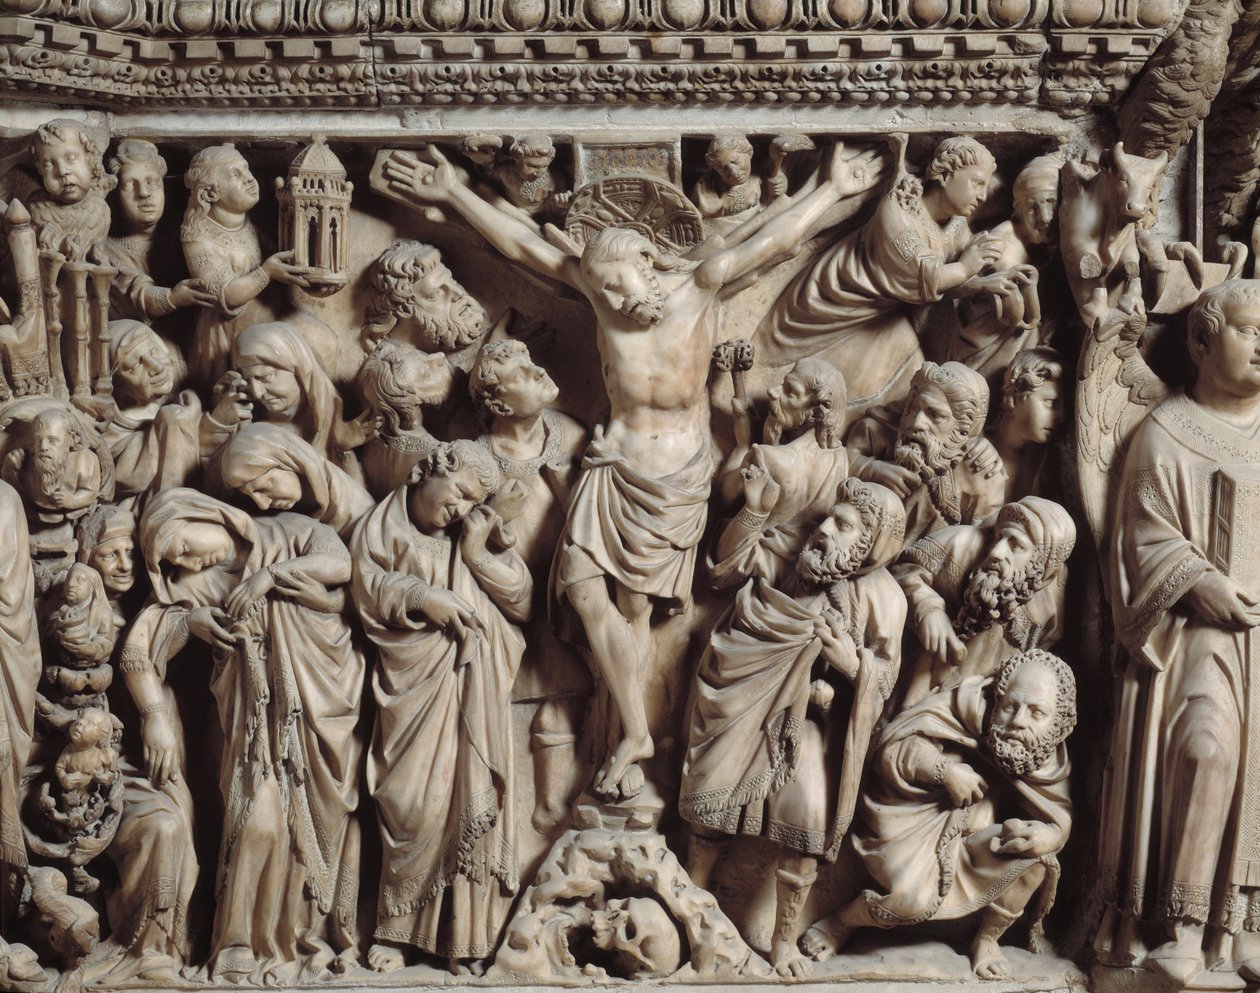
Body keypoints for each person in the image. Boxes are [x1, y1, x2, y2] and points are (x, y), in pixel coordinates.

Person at [381, 137, 886, 799]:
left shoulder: (700, 285)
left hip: (673, 479)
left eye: (621, 285)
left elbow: (777, 242)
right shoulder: (598, 293)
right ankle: (634, 733)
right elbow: (522, 247)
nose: (615, 300)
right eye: (603, 290)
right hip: (612, 467)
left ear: (648, 264)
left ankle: (628, 737)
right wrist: (452, 191)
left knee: (635, 614)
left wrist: (834, 189)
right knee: (583, 592)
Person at [125, 489, 364, 984]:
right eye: (176, 561)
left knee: (318, 830)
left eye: (184, 544)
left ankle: (301, 939)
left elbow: (340, 566)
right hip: (256, 726)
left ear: (206, 513)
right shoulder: (196, 584)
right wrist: (186, 628)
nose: (191, 560)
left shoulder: (290, 531)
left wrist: (269, 576)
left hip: (329, 701)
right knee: (260, 820)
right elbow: (137, 650)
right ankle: (237, 942)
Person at [1096, 279, 1260, 983]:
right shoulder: (1166, 433)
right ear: (1201, 341)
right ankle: (1180, 927)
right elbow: (1138, 538)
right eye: (1251, 331)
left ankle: (1240, 927)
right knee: (1205, 750)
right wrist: (1198, 582)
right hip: (1196, 636)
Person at [681, 482, 907, 977]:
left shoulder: (884, 597)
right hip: (750, 704)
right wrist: (753, 511)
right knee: (711, 808)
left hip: (813, 726)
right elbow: (728, 569)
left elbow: (887, 678)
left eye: (843, 526)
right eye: (829, 517)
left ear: (871, 546)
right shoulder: (796, 558)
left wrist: (852, 667)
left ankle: (782, 942)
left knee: (807, 822)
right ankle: (690, 915)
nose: (824, 529)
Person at [351, 440, 531, 975]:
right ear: (428, 471)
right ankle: (398, 929)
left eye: (472, 502)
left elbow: (521, 600)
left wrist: (477, 552)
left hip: (474, 688)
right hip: (412, 689)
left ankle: (465, 939)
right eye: (458, 494)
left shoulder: (472, 533)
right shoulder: (381, 528)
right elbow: (365, 586)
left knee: (471, 801)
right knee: (412, 805)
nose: (460, 509)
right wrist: (421, 597)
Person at [801, 650, 1076, 980]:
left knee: (1038, 862)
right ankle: (843, 920)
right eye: (1010, 706)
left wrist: (1050, 834)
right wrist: (944, 771)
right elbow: (893, 747)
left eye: (1036, 712)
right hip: (915, 820)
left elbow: (1058, 813)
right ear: (997, 697)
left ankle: (987, 939)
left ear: (1058, 724)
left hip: (975, 838)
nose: (1018, 720)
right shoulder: (964, 706)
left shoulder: (1046, 754)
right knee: (911, 900)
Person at [757, 136, 1005, 414]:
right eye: (977, 183)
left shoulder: (956, 225)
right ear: (946, 175)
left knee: (910, 361)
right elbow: (925, 275)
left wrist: (982, 282)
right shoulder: (898, 210)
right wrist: (966, 268)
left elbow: (950, 282)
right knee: (775, 354)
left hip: (877, 315)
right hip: (828, 302)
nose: (983, 195)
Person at [468, 340, 590, 830]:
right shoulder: (479, 457)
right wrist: (495, 517)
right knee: (538, 689)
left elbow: (603, 503)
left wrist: (570, 493)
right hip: (512, 596)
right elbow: (457, 524)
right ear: (499, 405)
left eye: (531, 362)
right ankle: (537, 805)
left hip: (570, 586)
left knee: (568, 694)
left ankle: (555, 803)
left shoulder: (571, 433)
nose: (538, 370)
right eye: (521, 373)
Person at [894, 495, 1076, 705]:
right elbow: (901, 571)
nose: (996, 552)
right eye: (1000, 537)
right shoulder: (961, 543)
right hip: (913, 681)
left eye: (1016, 546)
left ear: (1041, 568)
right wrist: (927, 609)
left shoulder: (1048, 610)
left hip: (979, 705)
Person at [180, 144, 316, 387]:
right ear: (209, 193)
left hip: (269, 321)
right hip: (228, 337)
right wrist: (267, 272)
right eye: (235, 174)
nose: (250, 179)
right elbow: (227, 295)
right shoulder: (197, 237)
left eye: (247, 169)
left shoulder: (250, 224)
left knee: (324, 342)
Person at [103, 319, 248, 507]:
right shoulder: (110, 424)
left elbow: (196, 452)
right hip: (157, 505)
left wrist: (219, 404)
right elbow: (121, 476)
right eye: (135, 365)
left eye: (153, 351)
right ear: (117, 384)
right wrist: (174, 424)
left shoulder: (184, 393)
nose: (156, 367)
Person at [230, 321, 373, 480]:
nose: (257, 393)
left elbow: (354, 494)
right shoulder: (250, 426)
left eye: (265, 377)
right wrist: (221, 422)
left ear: (300, 370)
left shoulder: (330, 421)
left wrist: (343, 450)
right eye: (248, 380)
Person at [96, 139, 216, 324]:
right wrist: (172, 298)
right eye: (130, 184)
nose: (143, 193)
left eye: (151, 182)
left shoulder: (187, 233)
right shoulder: (105, 249)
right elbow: (132, 290)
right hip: (138, 335)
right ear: (115, 193)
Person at [218, 422, 374, 540]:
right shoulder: (296, 515)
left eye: (264, 487)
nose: (262, 505)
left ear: (294, 462)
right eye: (251, 496)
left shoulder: (364, 520)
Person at [358, 338, 454, 496]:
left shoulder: (372, 445)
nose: (440, 356)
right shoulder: (438, 458)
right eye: (426, 374)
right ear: (412, 400)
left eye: (424, 356)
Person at [989, 347, 1065, 502]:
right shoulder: (978, 452)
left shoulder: (1046, 460)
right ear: (1014, 397)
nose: (1061, 416)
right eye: (1050, 403)